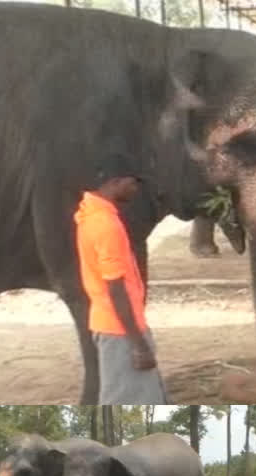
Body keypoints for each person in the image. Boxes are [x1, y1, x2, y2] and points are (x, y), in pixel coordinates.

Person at [74, 153, 168, 404]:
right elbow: (115, 288)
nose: (136, 189)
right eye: (133, 182)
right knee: (125, 399)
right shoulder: (105, 224)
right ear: (116, 181)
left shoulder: (93, 214)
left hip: (116, 326)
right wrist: (138, 343)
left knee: (148, 396)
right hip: (120, 331)